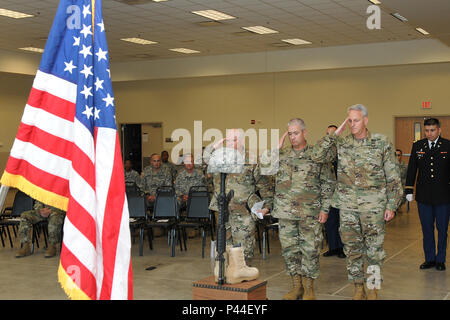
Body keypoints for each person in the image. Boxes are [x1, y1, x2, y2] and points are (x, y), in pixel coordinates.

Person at [311, 104, 403, 300]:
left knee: (374, 252)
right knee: (352, 250)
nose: (352, 124)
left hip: (374, 208)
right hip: (348, 207)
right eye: (350, 120)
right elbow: (317, 156)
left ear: (366, 121)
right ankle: (357, 288)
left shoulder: (381, 142)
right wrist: (334, 135)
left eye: (356, 120)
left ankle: (372, 289)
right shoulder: (342, 144)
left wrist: (392, 205)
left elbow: (393, 176)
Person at [261, 118, 335, 300]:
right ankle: (297, 287)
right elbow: (263, 170)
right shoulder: (282, 155)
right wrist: (275, 150)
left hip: (310, 213)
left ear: (304, 133)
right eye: (290, 134)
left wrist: (325, 209)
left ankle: (309, 288)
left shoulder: (316, 156)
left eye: (296, 133)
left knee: (310, 250)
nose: (293, 137)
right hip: (285, 213)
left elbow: (328, 183)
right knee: (290, 250)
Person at [204, 129, 273, 266]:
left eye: (233, 140)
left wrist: (267, 207)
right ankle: (227, 278)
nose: (229, 144)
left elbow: (264, 186)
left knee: (242, 253)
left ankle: (241, 278)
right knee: (224, 250)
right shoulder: (219, 158)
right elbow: (202, 166)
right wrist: (212, 149)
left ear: (241, 141)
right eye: (228, 140)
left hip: (244, 213)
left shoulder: (252, 160)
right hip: (223, 212)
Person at [405, 117, 450, 271]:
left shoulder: (447, 145)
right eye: (427, 130)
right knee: (427, 228)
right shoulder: (418, 146)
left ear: (439, 130)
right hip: (424, 196)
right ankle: (429, 258)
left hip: (443, 196)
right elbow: (412, 168)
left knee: (442, 229)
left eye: (432, 130)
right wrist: (409, 189)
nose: (429, 133)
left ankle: (441, 259)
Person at [322, 125, 345, 259]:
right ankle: (333, 247)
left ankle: (343, 248)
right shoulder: (324, 153)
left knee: (342, 221)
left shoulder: (344, 151)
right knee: (330, 221)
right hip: (329, 193)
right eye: (327, 134)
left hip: (342, 192)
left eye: (332, 134)